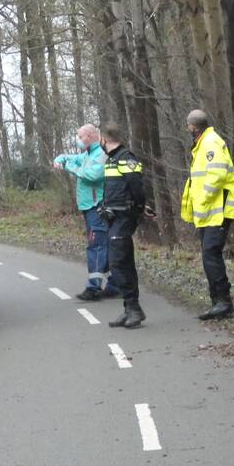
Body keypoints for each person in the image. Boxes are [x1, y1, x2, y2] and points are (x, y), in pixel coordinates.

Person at [180, 109, 234, 320]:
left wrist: (203, 199)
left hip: (218, 209)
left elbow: (217, 175)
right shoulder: (202, 144)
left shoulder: (210, 143)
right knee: (209, 255)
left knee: (211, 254)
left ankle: (223, 302)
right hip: (210, 212)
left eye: (188, 126)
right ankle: (217, 300)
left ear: (193, 127)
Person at [53, 124, 114, 301]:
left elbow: (92, 175)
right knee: (103, 244)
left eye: (80, 136)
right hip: (88, 207)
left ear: (89, 136)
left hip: (97, 207)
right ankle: (114, 283)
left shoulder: (101, 154)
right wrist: (60, 159)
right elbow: (68, 157)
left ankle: (94, 287)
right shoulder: (87, 154)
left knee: (96, 245)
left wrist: (71, 167)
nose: (77, 140)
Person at [97, 123, 147, 328]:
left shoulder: (126, 158)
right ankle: (129, 308)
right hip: (114, 217)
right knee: (120, 263)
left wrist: (141, 207)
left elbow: (136, 186)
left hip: (124, 217)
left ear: (104, 139)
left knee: (119, 262)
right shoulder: (112, 160)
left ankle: (134, 309)